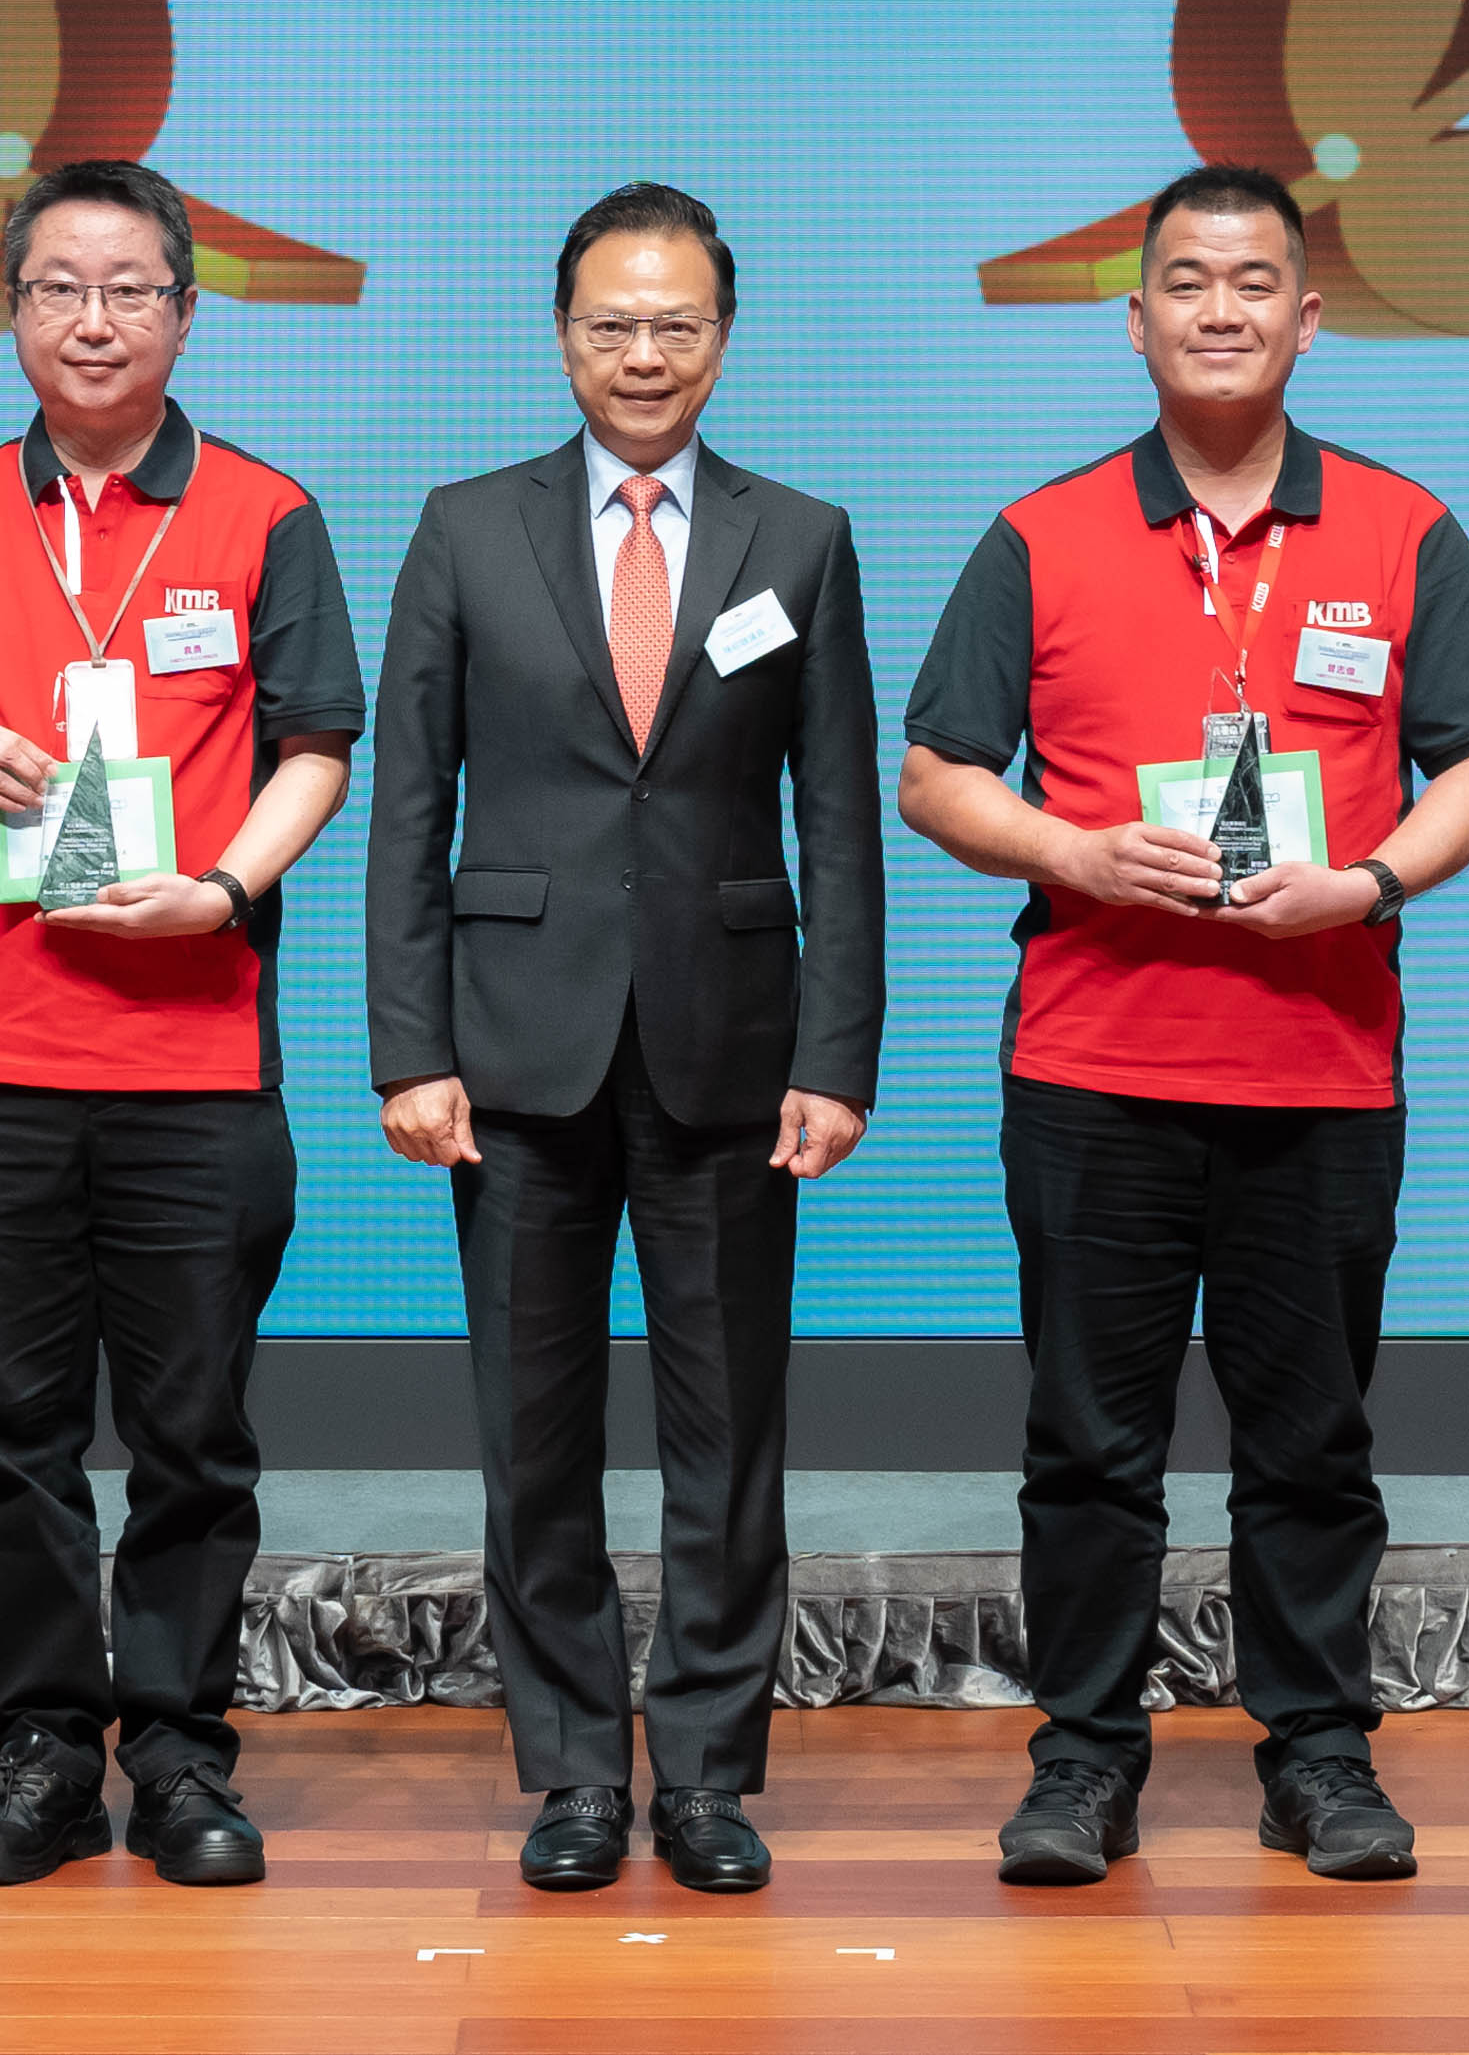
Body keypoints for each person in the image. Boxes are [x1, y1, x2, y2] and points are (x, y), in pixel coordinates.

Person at [897, 163, 1469, 1889]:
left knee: (1310, 1442)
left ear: (1308, 317)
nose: (1222, 308)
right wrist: (1074, 850)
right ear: (1137, 319)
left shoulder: (1402, 529)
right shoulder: (1040, 534)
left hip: (1318, 1068)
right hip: (1093, 1068)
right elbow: (936, 774)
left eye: (1255, 280)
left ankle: (1318, 1753)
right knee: (1088, 1446)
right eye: (1187, 280)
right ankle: (1083, 1757)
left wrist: (1374, 879)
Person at [0, 156, 361, 1888]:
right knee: (14, 1434)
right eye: (58, 286)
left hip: (196, 1059)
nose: (93, 319)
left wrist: (230, 890)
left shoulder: (264, 513)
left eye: (129, 288)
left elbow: (317, 744)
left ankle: (181, 1754)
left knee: (193, 1437)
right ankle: (43, 1751)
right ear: (13, 310)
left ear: (186, 311)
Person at [362, 179, 883, 1897]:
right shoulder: (465, 527)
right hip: (512, 1055)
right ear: (562, 334)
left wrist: (837, 1055)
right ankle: (577, 1767)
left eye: (676, 322)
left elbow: (838, 824)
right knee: (536, 1433)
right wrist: (408, 1046)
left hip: (731, 1052)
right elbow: (409, 809)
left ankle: (711, 1771)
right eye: (612, 322)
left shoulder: (798, 538)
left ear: (722, 338)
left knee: (732, 1435)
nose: (643, 352)